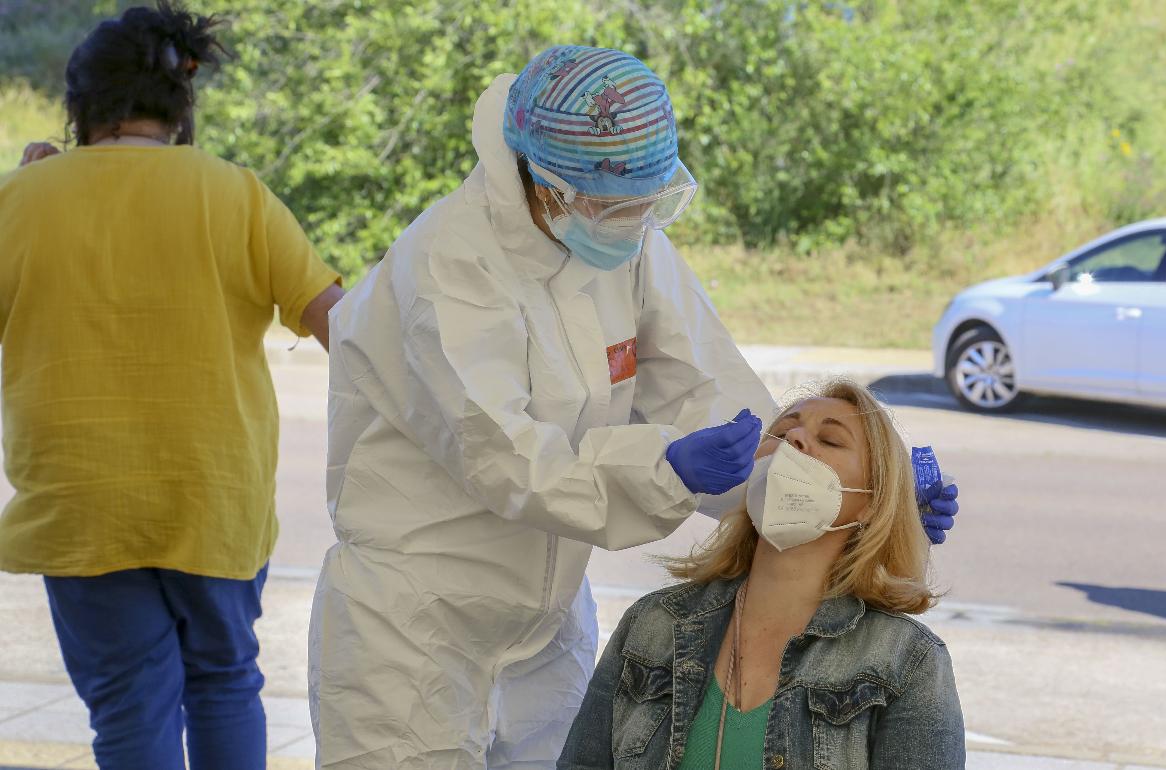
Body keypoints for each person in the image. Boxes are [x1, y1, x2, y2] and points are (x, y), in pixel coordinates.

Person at [308, 45, 957, 769]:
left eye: (653, 203)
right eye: (623, 206)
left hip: (544, 619)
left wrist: (870, 495)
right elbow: (509, 460)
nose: (641, 221)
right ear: (550, 189)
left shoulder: (623, 236)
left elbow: (713, 395)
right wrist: (667, 470)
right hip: (415, 624)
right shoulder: (448, 271)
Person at [0, 3, 344, 769]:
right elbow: (342, 325)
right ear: (181, 108)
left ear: (80, 106)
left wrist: (31, 197)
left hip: (80, 499)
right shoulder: (237, 193)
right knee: (225, 683)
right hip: (213, 494)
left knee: (129, 701)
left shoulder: (21, 201)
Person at [559, 378, 965, 769]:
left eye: (829, 440)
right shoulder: (653, 625)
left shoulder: (907, 662)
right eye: (783, 431)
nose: (793, 441)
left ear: (873, 503)